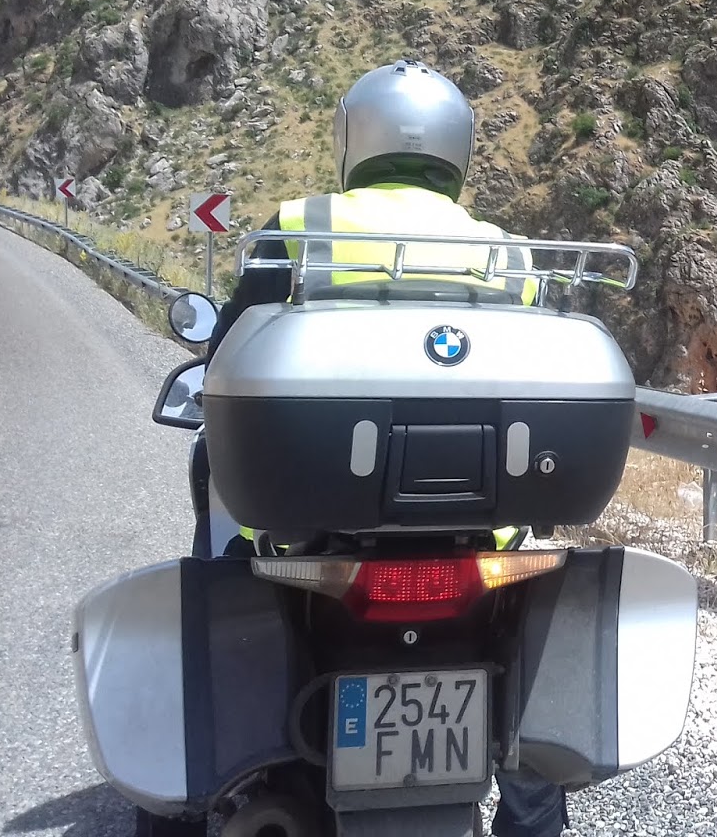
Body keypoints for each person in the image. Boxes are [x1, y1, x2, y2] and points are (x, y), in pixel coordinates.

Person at [204, 58, 569, 837]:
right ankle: (529, 799)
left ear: (353, 139)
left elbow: (228, 353)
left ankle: (233, 738)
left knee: (223, 532)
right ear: (458, 148)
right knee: (528, 625)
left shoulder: (304, 223)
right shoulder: (506, 250)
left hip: (311, 528)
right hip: (484, 529)